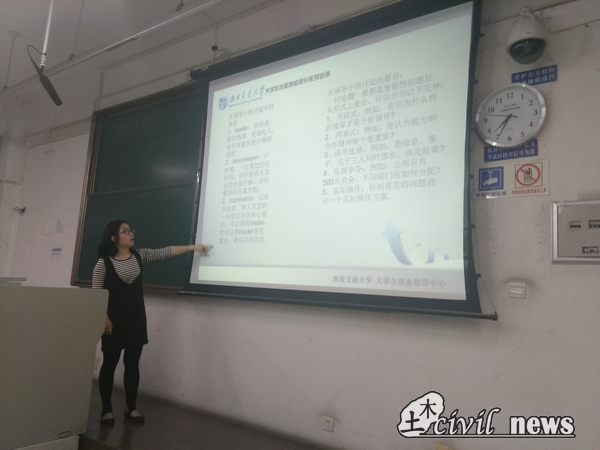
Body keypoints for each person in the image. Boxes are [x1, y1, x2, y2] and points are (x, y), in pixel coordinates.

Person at [92, 219, 209, 425]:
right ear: (114, 238)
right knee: (110, 364)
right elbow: (96, 294)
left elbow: (165, 251)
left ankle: (131, 408)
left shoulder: (139, 255)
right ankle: (106, 410)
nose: (131, 233)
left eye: (131, 229)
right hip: (112, 322)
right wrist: (104, 318)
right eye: (125, 231)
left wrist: (192, 247)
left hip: (136, 319)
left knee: (132, 364)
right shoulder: (104, 263)